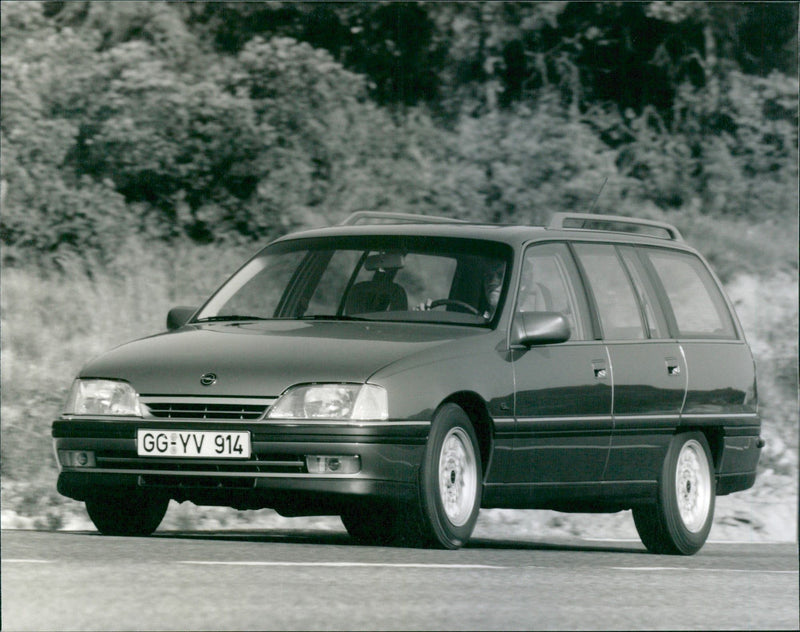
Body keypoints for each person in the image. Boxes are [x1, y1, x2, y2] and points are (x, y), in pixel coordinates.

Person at [415, 259, 505, 319]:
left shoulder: (516, 324)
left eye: (501, 275)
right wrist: (424, 318)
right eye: (488, 276)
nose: (492, 281)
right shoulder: (471, 320)